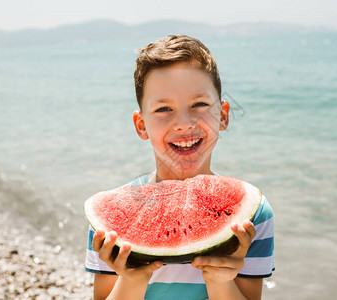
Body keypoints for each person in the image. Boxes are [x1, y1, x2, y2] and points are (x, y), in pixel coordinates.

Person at [85, 34, 275, 300]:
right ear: (141, 125)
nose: (184, 123)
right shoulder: (109, 228)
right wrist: (132, 279)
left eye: (199, 105)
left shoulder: (253, 216)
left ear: (222, 116)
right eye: (164, 109)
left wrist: (220, 281)